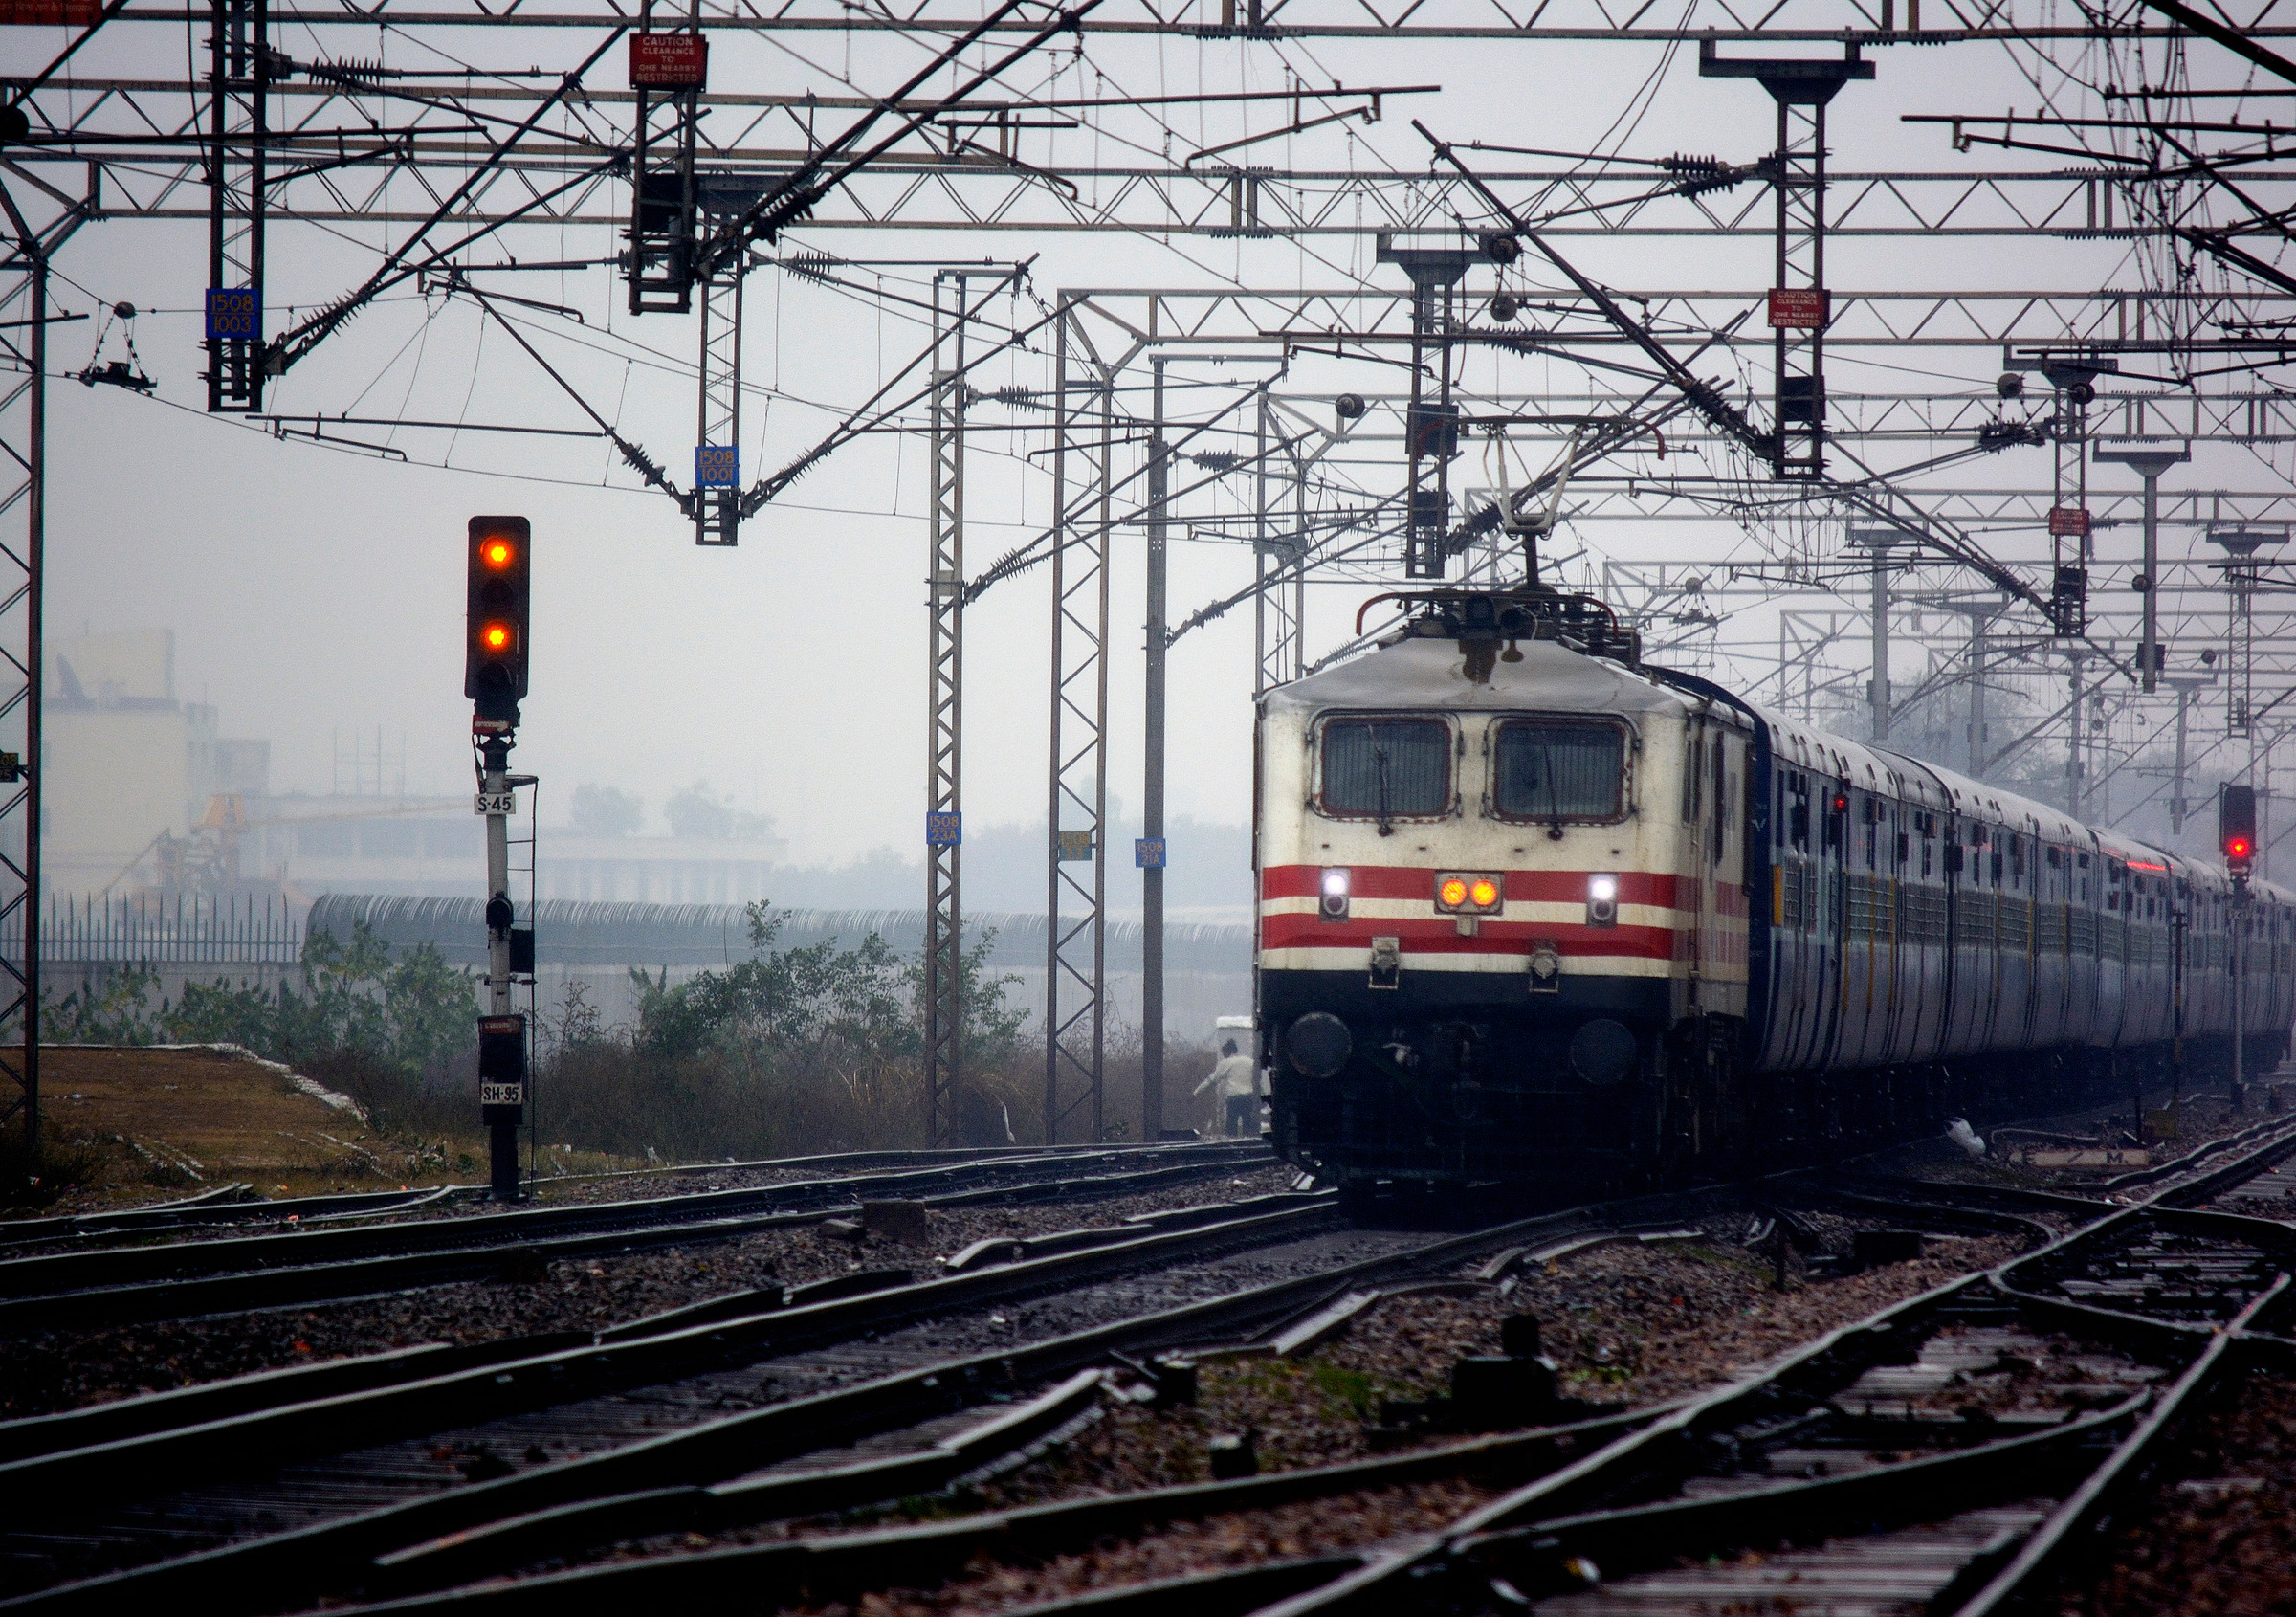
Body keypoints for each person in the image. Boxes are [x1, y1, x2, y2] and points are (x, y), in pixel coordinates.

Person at [1195, 1039, 1261, 1138]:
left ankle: (1232, 1146)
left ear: (1226, 1052)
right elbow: (1257, 1080)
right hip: (1248, 1098)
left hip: (1234, 1098)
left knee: (1231, 1129)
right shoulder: (1249, 1061)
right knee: (1248, 1127)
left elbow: (1211, 1080)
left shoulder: (1226, 1063)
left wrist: (1196, 1092)